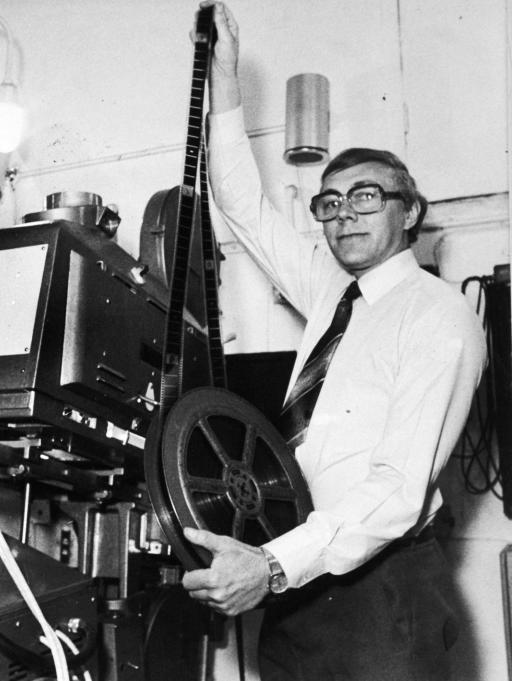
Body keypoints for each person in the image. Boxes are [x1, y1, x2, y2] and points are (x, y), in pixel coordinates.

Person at [180, 2, 488, 679]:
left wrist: (268, 564)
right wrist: (224, 76)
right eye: (330, 201)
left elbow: (396, 490)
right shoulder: (327, 289)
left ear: (410, 213)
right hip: (298, 582)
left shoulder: (438, 315)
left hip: (382, 591)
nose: (343, 213)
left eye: (367, 196)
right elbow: (241, 204)